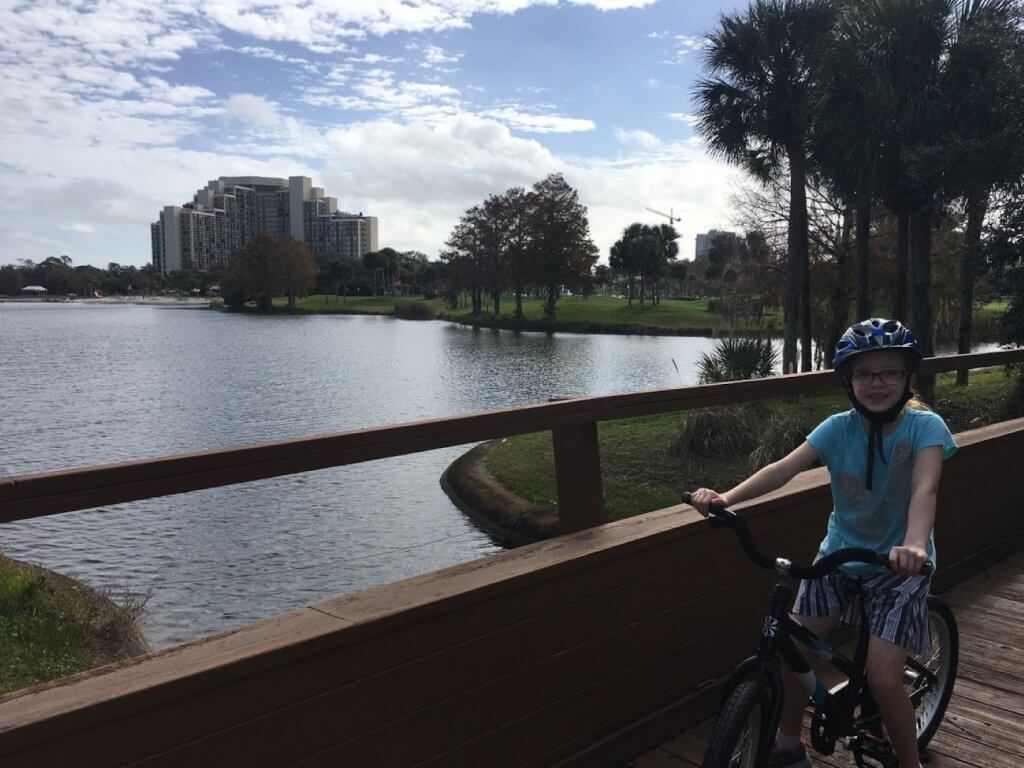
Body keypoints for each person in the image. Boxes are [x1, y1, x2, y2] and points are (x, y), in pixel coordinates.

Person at [689, 318, 957, 768]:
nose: (877, 383)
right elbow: (784, 468)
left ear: (909, 379)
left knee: (883, 678)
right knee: (796, 646)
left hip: (899, 566)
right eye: (864, 373)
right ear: (848, 381)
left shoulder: (924, 428)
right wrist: (727, 498)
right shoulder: (838, 427)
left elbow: (925, 490)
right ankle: (788, 744)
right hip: (839, 555)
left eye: (890, 372)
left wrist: (913, 543)